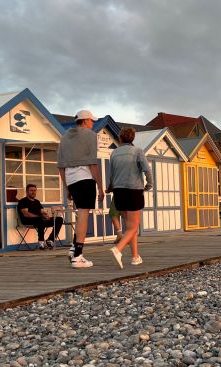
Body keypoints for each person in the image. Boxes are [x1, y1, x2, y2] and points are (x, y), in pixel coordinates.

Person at [57, 109, 105, 268]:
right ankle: (78, 256)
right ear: (85, 121)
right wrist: (100, 186)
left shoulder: (64, 138)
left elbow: (61, 167)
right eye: (92, 121)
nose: (93, 124)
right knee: (84, 215)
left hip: (71, 180)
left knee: (80, 215)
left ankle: (73, 248)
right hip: (84, 178)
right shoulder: (90, 136)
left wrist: (67, 188)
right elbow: (92, 163)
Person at [108, 127, 153, 268]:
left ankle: (135, 257)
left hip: (119, 191)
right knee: (134, 227)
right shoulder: (137, 151)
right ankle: (118, 249)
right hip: (133, 190)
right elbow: (147, 169)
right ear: (132, 138)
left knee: (129, 226)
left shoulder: (114, 153)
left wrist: (110, 188)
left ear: (120, 138)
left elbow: (112, 175)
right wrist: (149, 185)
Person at [17, 184, 63, 249]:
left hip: (40, 220)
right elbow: (26, 214)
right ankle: (41, 242)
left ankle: (50, 240)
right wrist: (39, 217)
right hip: (27, 220)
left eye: (35, 190)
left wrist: (46, 215)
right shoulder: (23, 201)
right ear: (27, 192)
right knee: (40, 219)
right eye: (31, 190)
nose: (33, 192)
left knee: (59, 219)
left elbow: (42, 211)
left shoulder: (37, 202)